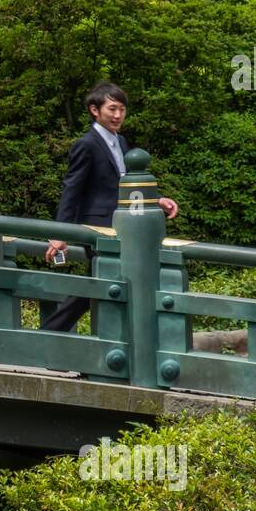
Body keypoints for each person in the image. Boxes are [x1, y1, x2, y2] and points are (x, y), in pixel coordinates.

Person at [42, 82, 178, 332]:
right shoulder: (87, 144)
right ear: (95, 110)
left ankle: (52, 335)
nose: (118, 115)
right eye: (112, 109)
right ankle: (50, 336)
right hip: (97, 227)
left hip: (120, 226)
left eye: (122, 109)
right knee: (108, 282)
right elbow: (72, 189)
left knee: (104, 283)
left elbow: (119, 185)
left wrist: (153, 200)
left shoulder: (121, 141)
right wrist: (61, 234)